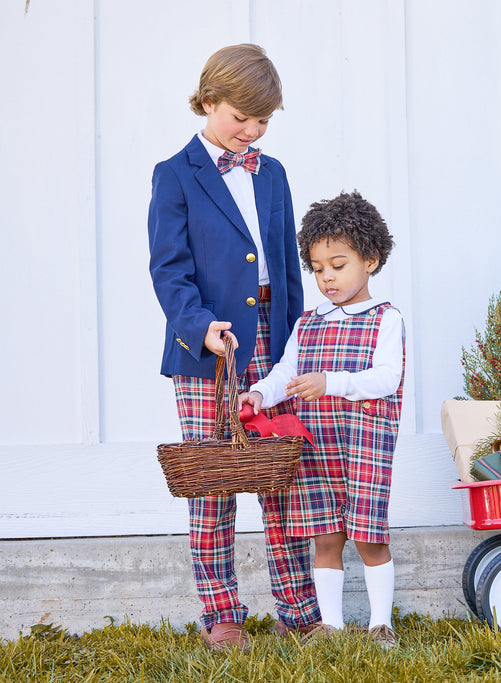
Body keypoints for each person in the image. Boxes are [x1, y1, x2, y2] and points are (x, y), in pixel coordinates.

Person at [148, 43, 320, 652]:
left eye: (263, 121)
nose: (251, 131)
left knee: (282, 477)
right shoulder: (174, 175)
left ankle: (299, 609)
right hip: (207, 352)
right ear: (209, 99)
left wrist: (300, 343)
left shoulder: (271, 173)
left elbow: (285, 267)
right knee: (215, 482)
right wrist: (200, 327)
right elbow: (169, 272)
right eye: (240, 118)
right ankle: (222, 613)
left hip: (274, 340)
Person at [239, 190, 405, 650]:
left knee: (369, 536)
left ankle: (379, 624)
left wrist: (331, 383)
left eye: (338, 265)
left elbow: (387, 379)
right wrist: (258, 392)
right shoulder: (306, 324)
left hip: (363, 444)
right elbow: (285, 374)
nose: (327, 278)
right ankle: (329, 623)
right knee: (325, 536)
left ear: (369, 260)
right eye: (318, 269)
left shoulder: (385, 319)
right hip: (315, 447)